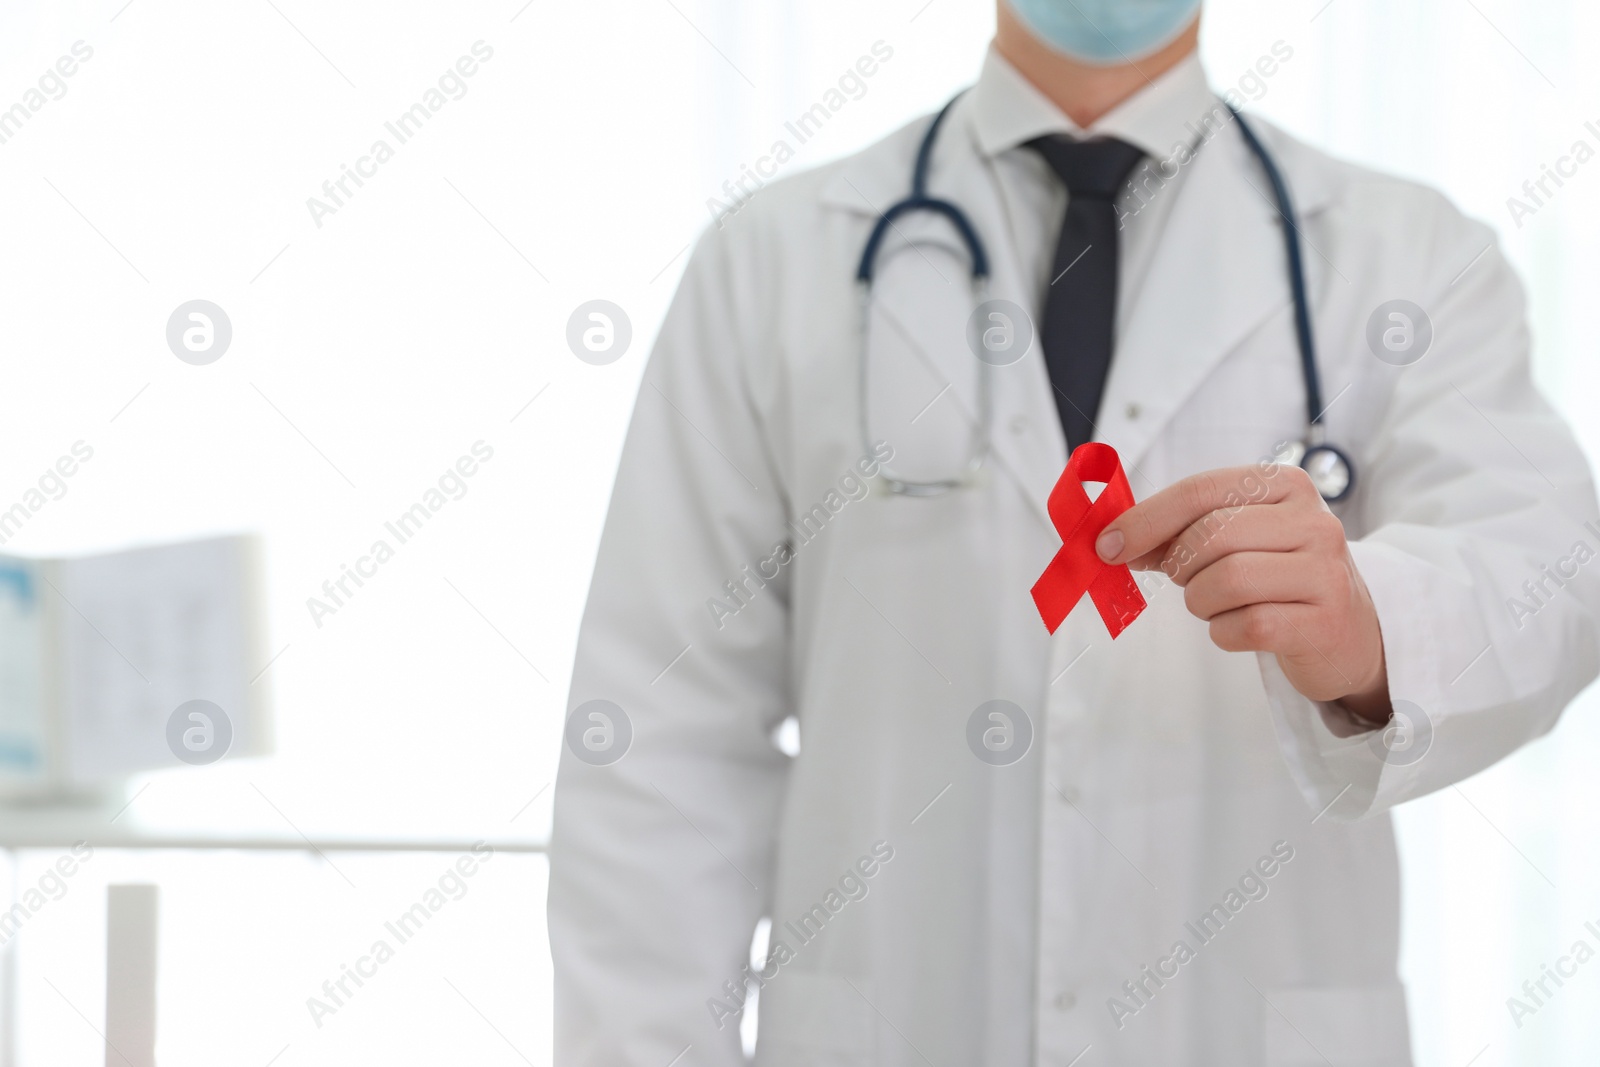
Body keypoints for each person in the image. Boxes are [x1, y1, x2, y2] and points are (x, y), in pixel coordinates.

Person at [549, 1, 1600, 1063]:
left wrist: (1372, 628)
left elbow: (1551, 575)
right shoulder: (770, 256)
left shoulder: (1407, 252)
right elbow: (660, 735)